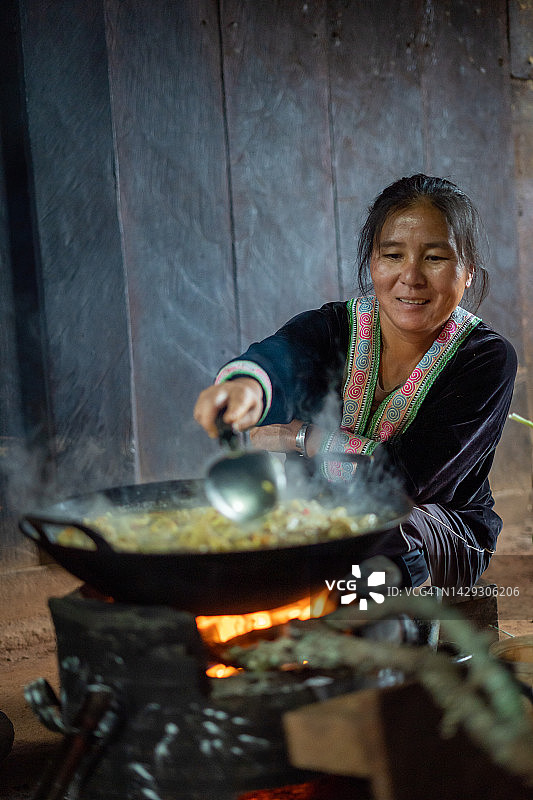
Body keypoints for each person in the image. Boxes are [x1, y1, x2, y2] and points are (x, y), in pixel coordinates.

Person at [194, 174, 517, 590]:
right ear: (372, 264)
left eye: (435, 258)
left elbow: (405, 482)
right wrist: (246, 388)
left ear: (468, 271)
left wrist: (301, 438)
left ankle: (386, 619)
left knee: (381, 532)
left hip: (432, 530)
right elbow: (280, 358)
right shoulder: (334, 327)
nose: (411, 276)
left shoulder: (485, 358)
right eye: (393, 255)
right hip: (317, 515)